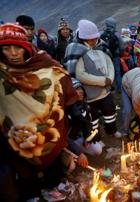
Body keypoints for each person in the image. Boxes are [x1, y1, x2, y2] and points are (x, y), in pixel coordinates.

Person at [0, 23, 89, 201]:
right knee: (25, 178)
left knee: (53, 173)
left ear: (25, 46)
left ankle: (52, 188)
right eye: (6, 49)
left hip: (47, 132)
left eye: (17, 47)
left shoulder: (44, 66)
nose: (13, 53)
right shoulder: (2, 74)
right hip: (15, 138)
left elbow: (59, 76)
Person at [74, 19, 122, 138]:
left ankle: (112, 130)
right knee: (92, 117)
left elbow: (109, 63)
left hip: (105, 90)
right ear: (84, 38)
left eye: (95, 38)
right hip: (90, 94)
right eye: (91, 39)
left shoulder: (101, 46)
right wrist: (101, 81)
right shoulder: (78, 50)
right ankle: (96, 138)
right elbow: (80, 74)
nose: (95, 41)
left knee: (110, 110)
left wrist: (110, 78)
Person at [100, 17, 124, 92]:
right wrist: (120, 53)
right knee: (117, 72)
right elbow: (121, 45)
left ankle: (110, 88)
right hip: (115, 56)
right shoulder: (116, 34)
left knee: (108, 72)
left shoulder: (101, 34)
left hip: (106, 56)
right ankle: (119, 88)